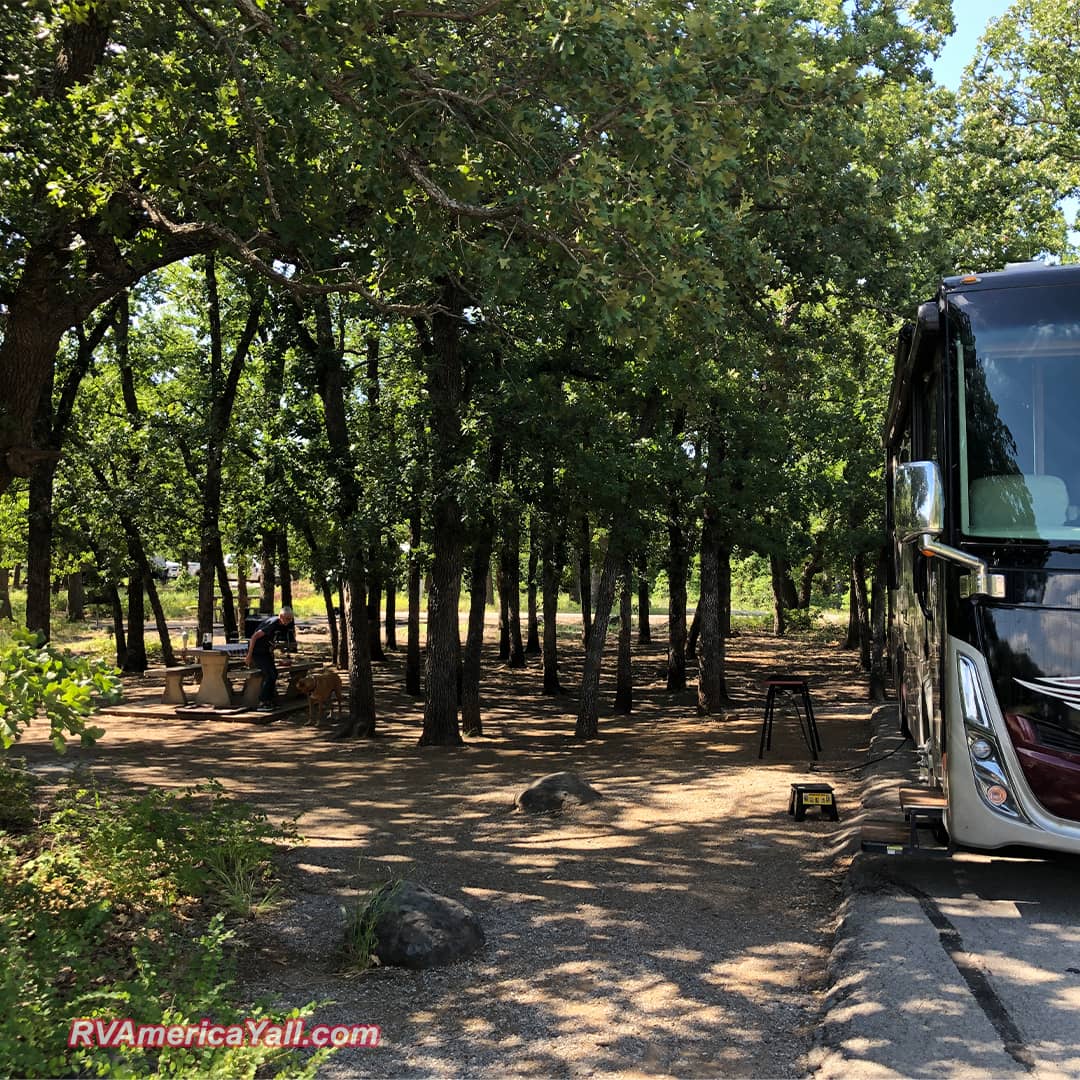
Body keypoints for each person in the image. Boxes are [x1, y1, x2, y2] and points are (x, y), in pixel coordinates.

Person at [245, 607, 295, 711]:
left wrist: (273, 649)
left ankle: (270, 700)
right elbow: (254, 637)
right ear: (281, 616)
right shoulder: (272, 623)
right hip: (257, 652)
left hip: (265, 652)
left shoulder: (280, 625)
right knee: (269, 675)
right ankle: (262, 702)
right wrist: (249, 655)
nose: (288, 621)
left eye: (290, 619)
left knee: (274, 674)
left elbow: (270, 639)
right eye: (287, 619)